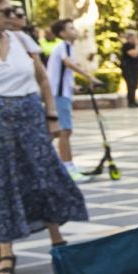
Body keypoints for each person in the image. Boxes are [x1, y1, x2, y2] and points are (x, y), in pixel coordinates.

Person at [0, 0, 89, 274]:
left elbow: (41, 79)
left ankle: (57, 240)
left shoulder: (21, 40)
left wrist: (51, 115)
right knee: (0, 183)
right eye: (5, 11)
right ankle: (6, 251)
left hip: (28, 117)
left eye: (13, 10)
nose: (12, 16)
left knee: (43, 175)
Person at [45, 18, 102, 177]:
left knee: (53, 133)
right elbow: (69, 64)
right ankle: (68, 168)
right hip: (59, 95)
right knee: (65, 131)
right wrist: (89, 77)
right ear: (62, 33)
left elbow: (63, 74)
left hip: (61, 93)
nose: (74, 31)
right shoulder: (63, 46)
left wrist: (75, 87)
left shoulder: (66, 47)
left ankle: (44, 163)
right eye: (70, 28)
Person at [118, 29, 138, 107]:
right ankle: (130, 102)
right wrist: (137, 45)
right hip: (128, 69)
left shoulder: (133, 46)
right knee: (131, 84)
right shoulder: (127, 45)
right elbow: (134, 54)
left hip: (134, 69)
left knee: (134, 84)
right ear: (130, 37)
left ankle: (133, 101)